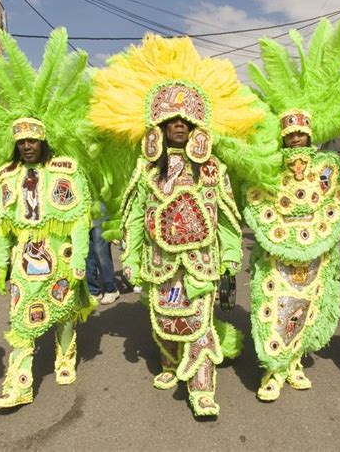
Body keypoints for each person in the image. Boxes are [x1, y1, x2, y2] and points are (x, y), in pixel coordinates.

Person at [89, 34, 263, 416]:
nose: (179, 125)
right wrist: (130, 258)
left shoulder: (212, 167)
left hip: (200, 262)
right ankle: (170, 362)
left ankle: (202, 389)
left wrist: (232, 252)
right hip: (159, 262)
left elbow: (229, 216)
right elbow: (135, 215)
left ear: (197, 125)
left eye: (186, 120)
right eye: (172, 120)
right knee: (166, 316)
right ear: (160, 127)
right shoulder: (148, 167)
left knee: (198, 322)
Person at [240, 18, 340, 401]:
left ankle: (292, 364)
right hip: (277, 255)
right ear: (283, 136)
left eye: (301, 136)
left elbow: (333, 204)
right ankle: (273, 369)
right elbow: (259, 201)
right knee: (273, 306)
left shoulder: (327, 169)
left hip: (314, 254)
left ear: (310, 135)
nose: (296, 142)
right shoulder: (269, 166)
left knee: (306, 308)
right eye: (290, 136)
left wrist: (317, 237)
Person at [0, 28, 97, 408]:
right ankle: (18, 382)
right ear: (14, 143)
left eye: (32, 140)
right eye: (21, 141)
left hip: (62, 255)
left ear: (42, 141)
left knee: (65, 310)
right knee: (20, 322)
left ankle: (65, 357)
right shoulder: (5, 178)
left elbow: (78, 219)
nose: (26, 145)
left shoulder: (66, 170)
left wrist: (80, 258)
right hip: (25, 261)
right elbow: (2, 228)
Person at [86, 204, 120, 305]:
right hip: (84, 220)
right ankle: (93, 291)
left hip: (101, 217)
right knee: (87, 254)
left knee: (101, 253)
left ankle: (111, 290)